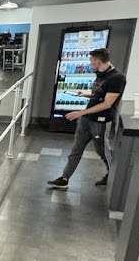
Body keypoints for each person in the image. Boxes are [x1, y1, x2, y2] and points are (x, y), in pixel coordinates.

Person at [47, 47, 127, 190]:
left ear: (97, 61)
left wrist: (80, 112)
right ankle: (65, 179)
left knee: (103, 151)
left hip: (101, 122)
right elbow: (100, 94)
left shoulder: (117, 78)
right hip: (86, 119)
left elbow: (107, 103)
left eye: (91, 60)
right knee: (76, 149)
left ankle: (114, 176)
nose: (90, 63)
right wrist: (84, 95)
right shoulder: (100, 74)